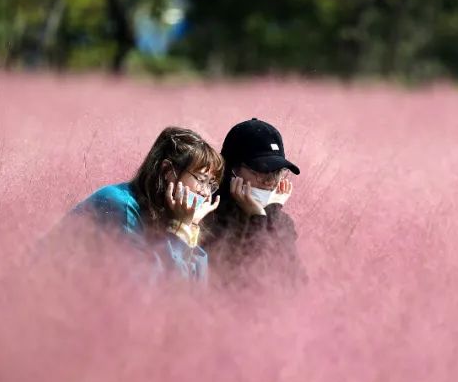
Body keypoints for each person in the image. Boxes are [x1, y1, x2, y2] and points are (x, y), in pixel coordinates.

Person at [55, 126, 222, 284]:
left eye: (211, 184)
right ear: (168, 171)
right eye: (201, 180)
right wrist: (181, 229)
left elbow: (193, 290)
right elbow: (145, 286)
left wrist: (190, 226)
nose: (206, 193)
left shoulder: (168, 212)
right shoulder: (121, 205)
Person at [200, 118, 306, 288]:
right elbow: (242, 281)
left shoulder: (281, 222)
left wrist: (269, 213)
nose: (270, 181)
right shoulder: (207, 215)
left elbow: (294, 283)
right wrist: (258, 218)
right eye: (261, 170)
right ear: (230, 170)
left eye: (277, 171)